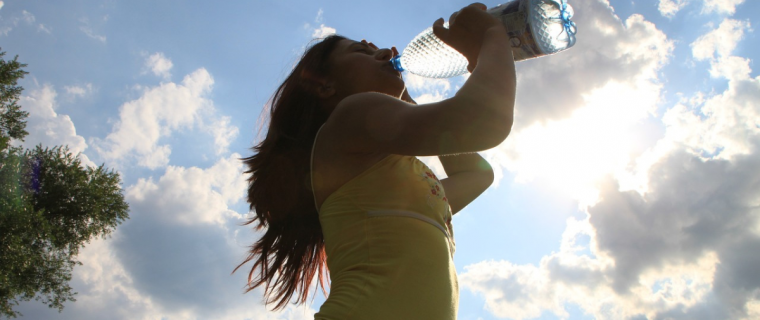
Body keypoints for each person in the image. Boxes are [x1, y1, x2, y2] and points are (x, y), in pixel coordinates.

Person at [235, 3, 516, 319]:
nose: (384, 51)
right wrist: (493, 35)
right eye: (362, 52)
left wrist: (408, 99)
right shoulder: (350, 117)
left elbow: (477, 174)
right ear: (326, 85)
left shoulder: (400, 186)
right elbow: (483, 123)